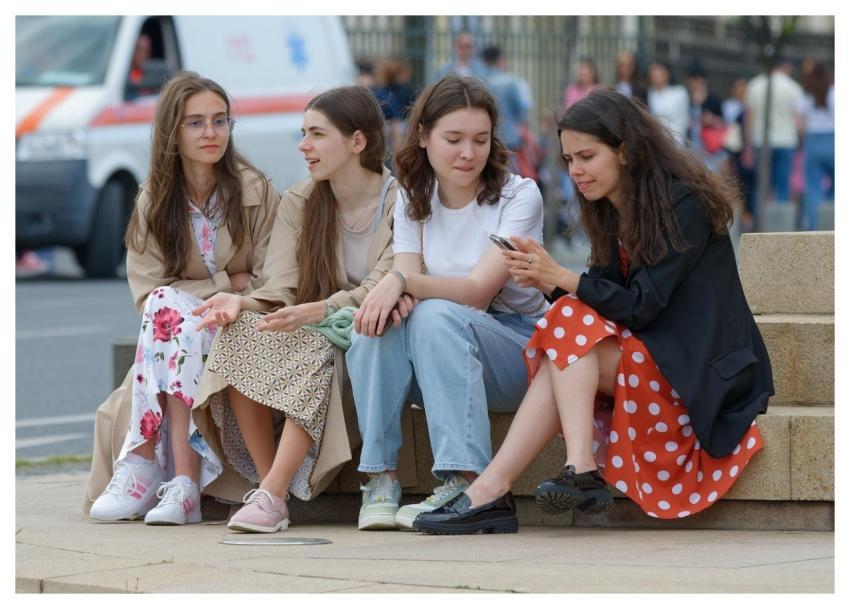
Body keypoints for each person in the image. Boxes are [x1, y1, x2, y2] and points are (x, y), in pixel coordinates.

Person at [413, 88, 773, 535]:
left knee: (562, 337)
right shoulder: (610, 210)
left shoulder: (684, 204)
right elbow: (602, 304)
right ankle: (513, 485)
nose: (575, 171)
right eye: (568, 159)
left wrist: (560, 276)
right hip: (649, 357)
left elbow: (641, 307)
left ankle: (511, 485)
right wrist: (546, 281)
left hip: (694, 372)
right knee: (563, 338)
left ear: (625, 151)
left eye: (586, 155)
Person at [188, 86, 399, 533]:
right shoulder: (301, 200)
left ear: (357, 141)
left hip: (368, 331)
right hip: (311, 320)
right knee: (244, 329)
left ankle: (272, 492)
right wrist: (240, 302)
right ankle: (270, 489)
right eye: (303, 133)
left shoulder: (401, 201)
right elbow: (280, 283)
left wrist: (318, 311)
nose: (304, 146)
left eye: (317, 135)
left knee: (313, 346)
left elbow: (384, 284)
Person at [346, 75, 547, 531]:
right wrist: (397, 291)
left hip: (515, 347)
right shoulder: (414, 197)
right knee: (376, 325)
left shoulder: (520, 196)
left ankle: (465, 479)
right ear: (422, 137)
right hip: (437, 351)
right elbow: (409, 283)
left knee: (433, 313)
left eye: (480, 140)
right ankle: (380, 477)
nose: (467, 153)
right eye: (453, 139)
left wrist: (400, 281)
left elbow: (477, 290)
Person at [85, 72, 279, 524]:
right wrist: (228, 281)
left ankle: (146, 464)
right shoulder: (154, 200)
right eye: (195, 123)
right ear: (172, 131)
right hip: (180, 329)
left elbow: (272, 280)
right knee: (169, 316)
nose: (211, 133)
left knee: (172, 318)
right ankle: (183, 485)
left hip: (241, 322)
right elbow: (147, 293)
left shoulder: (255, 191)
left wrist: (228, 293)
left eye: (219, 120)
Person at [744, 58, 804, 205]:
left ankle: (761, 224)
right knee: (783, 187)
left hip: (761, 141)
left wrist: (748, 146)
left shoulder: (755, 85)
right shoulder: (793, 87)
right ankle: (781, 225)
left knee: (762, 187)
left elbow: (749, 119)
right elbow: (799, 121)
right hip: (786, 141)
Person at [797, 61, 834, 230]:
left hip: (812, 141)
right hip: (833, 141)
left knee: (813, 189)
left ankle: (815, 228)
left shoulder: (805, 97)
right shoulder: (834, 94)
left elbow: (799, 125)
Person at [481, 45, 528, 155]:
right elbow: (521, 110)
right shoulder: (511, 82)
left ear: (483, 61)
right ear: (500, 60)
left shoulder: (478, 82)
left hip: (485, 137)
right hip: (509, 137)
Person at [685, 60, 726, 172]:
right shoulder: (685, 98)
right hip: (691, 146)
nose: (695, 84)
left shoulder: (713, 99)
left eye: (698, 80)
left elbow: (723, 123)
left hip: (710, 148)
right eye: (693, 80)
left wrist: (711, 120)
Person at [646, 60, 689, 146]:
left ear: (666, 74)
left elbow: (683, 119)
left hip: (677, 140)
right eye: (653, 75)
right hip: (657, 140)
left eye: (658, 75)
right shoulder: (650, 93)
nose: (655, 78)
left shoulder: (679, 92)